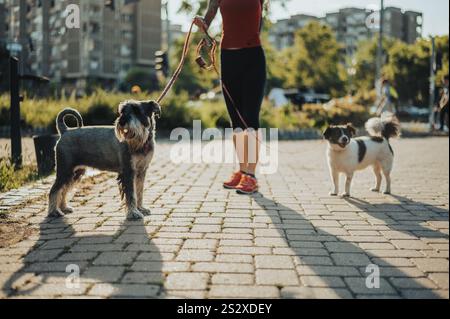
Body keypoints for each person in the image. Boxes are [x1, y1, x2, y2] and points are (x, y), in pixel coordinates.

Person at [194, 0, 267, 195]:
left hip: (253, 57)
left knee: (249, 118)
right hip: (228, 58)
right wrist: (202, 22)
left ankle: (251, 176)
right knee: (236, 122)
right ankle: (242, 171)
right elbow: (209, 16)